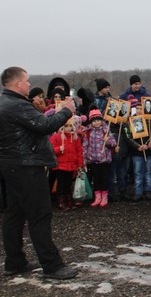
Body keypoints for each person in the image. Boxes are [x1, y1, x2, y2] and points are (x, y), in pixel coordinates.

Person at [0, 66, 78, 279]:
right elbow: (45, 124)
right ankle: (52, 265)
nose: (29, 84)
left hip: (13, 165)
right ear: (17, 84)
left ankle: (14, 261)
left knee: (15, 214)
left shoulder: (5, 102)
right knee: (39, 214)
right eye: (26, 80)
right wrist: (66, 110)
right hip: (27, 167)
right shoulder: (16, 105)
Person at [83, 110, 117, 207]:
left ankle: (104, 196)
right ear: (91, 122)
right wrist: (84, 159)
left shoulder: (106, 130)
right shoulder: (88, 132)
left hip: (104, 160)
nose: (96, 122)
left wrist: (107, 142)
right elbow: (85, 146)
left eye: (98, 120)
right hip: (92, 159)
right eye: (94, 121)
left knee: (104, 178)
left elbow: (114, 143)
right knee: (96, 178)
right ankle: (97, 197)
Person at [49, 119, 84, 211]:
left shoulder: (75, 138)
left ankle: (68, 200)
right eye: (66, 126)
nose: (68, 128)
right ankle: (61, 201)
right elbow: (51, 150)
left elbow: (79, 151)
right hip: (60, 166)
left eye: (70, 126)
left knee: (68, 184)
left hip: (71, 165)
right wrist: (59, 149)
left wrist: (80, 164)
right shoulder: (56, 137)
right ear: (62, 127)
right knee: (61, 184)